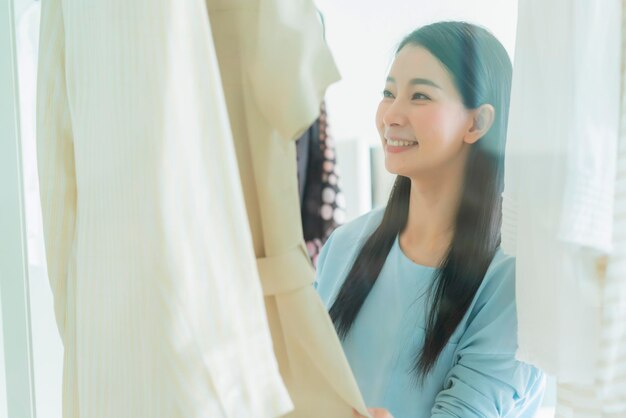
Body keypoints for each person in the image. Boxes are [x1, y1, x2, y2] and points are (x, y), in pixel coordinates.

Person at [315, 22, 546, 418]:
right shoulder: (345, 244)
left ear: (477, 123)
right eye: (388, 93)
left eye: (419, 96)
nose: (391, 114)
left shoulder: (515, 278)